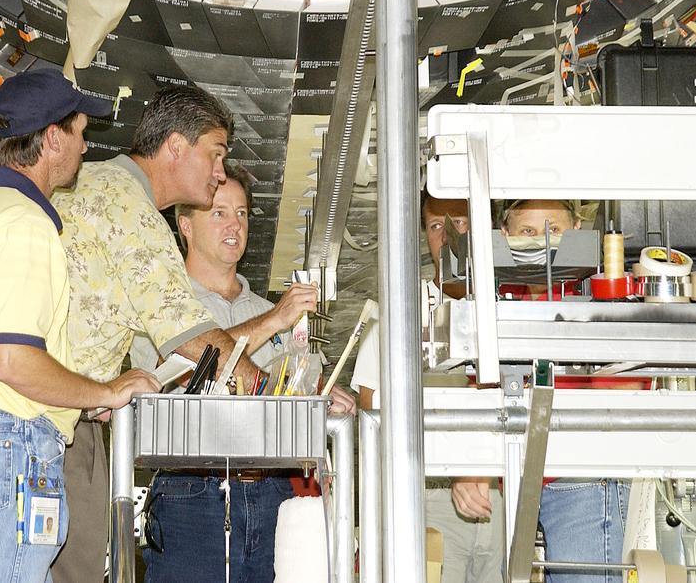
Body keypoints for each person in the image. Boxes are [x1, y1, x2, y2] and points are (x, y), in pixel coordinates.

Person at [0, 68, 160, 583]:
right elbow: (10, 360)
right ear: (53, 138)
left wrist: (78, 397)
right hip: (9, 453)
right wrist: (109, 388)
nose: (84, 146)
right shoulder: (25, 223)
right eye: (79, 131)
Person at [50, 84, 269, 583]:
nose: (219, 173)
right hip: (57, 428)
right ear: (175, 146)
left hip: (58, 410)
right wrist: (273, 395)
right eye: (214, 155)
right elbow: (193, 339)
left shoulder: (91, 183)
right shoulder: (136, 215)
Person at [130, 162, 356, 583]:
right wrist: (272, 323)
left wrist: (325, 392)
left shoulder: (272, 314)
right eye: (218, 212)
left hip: (272, 495)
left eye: (242, 213)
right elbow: (172, 371)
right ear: (185, 226)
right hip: (192, 496)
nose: (234, 224)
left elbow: (300, 387)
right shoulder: (158, 308)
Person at [352, 191, 506, 583]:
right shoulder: (397, 314)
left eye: (460, 222)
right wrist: (455, 468)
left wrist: (482, 471)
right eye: (437, 226)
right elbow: (376, 426)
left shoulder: (514, 309)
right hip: (430, 500)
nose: (448, 236)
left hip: (503, 496)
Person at [499, 199, 631, 583]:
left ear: (577, 226)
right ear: (504, 236)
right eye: (528, 232)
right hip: (530, 480)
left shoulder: (603, 288)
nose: (543, 241)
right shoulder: (504, 295)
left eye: (554, 229)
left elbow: (624, 383)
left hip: (585, 479)